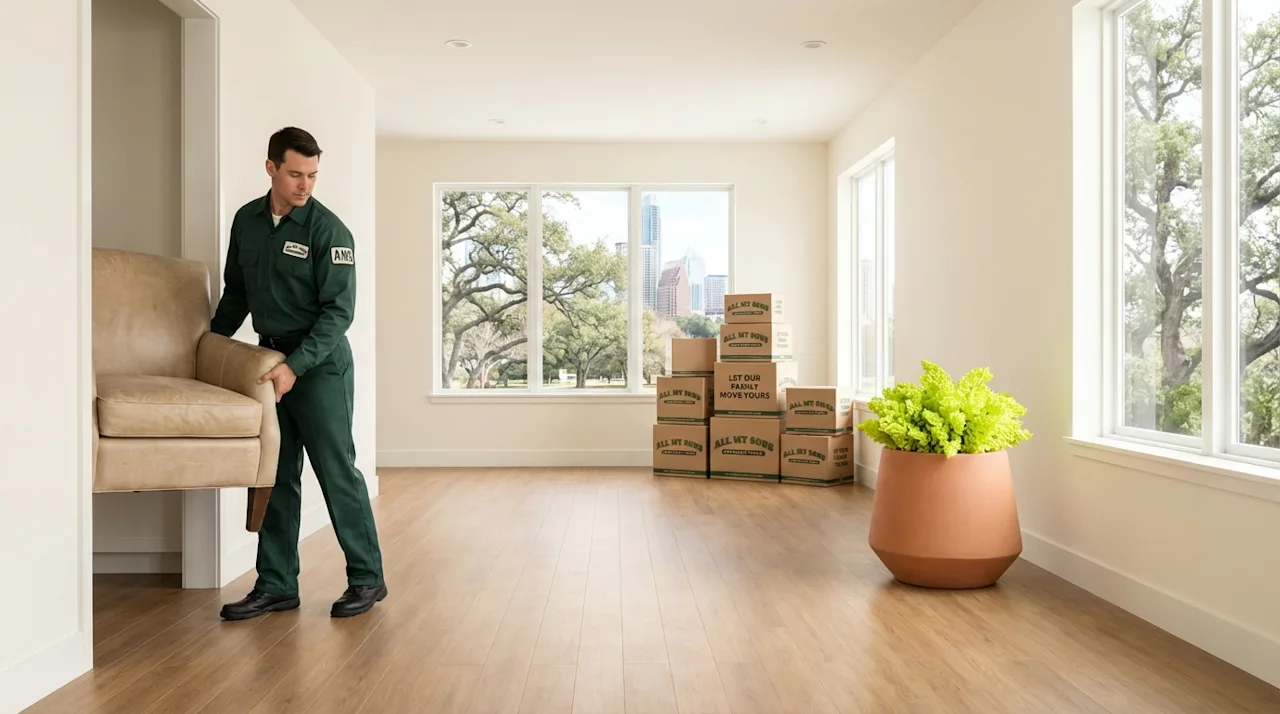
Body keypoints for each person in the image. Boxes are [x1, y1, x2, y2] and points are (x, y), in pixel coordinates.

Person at [211, 127, 386, 620]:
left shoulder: (329, 231)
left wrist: (296, 366)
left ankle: (368, 579)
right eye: (294, 174)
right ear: (271, 168)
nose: (304, 184)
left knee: (336, 472)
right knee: (275, 474)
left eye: (311, 175)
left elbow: (338, 313)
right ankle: (276, 585)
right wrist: (210, 346)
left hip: (320, 366)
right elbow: (236, 294)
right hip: (267, 366)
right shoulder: (247, 221)